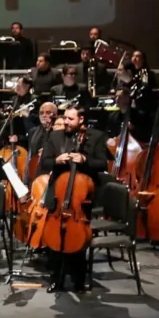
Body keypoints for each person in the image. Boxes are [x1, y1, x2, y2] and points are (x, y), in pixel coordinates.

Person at [38, 106, 110, 292]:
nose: (66, 122)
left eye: (71, 119)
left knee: (78, 239)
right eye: (66, 119)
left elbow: (102, 163)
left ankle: (78, 278)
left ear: (81, 120)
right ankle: (56, 278)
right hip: (57, 193)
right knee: (53, 241)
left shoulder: (96, 136)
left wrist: (85, 160)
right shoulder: (55, 137)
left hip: (82, 195)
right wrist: (57, 160)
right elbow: (44, 162)